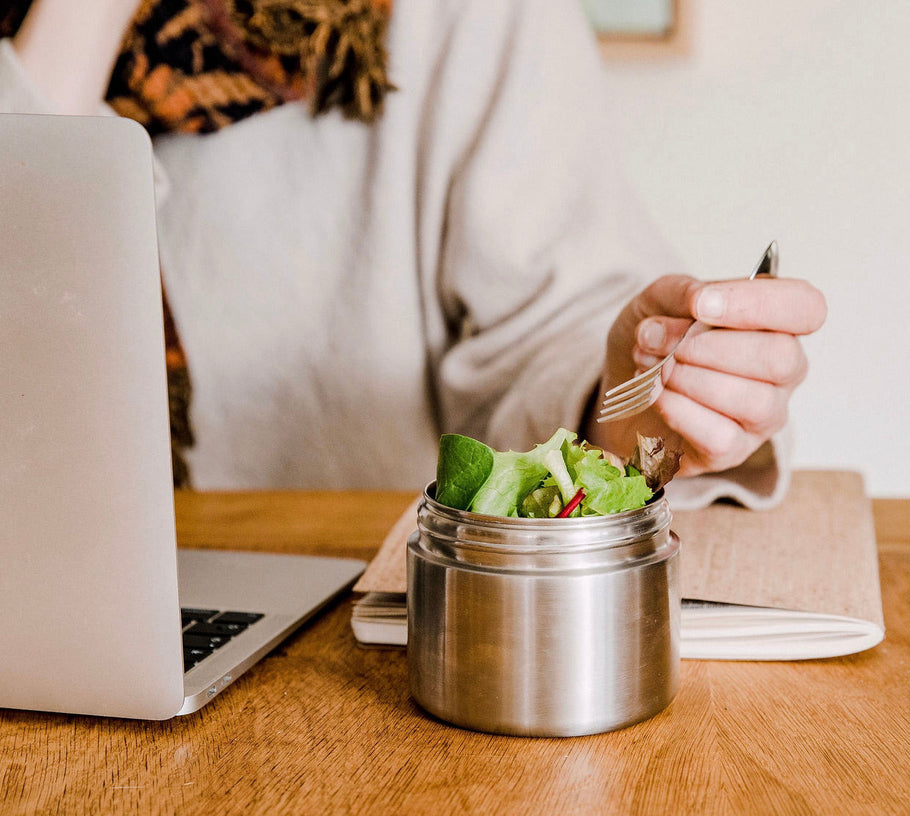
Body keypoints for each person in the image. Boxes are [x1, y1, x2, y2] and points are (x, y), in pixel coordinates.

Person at [0, 0, 826, 509]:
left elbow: (554, 325)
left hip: (366, 639)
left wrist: (626, 402)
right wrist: (76, 18)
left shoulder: (471, 14)